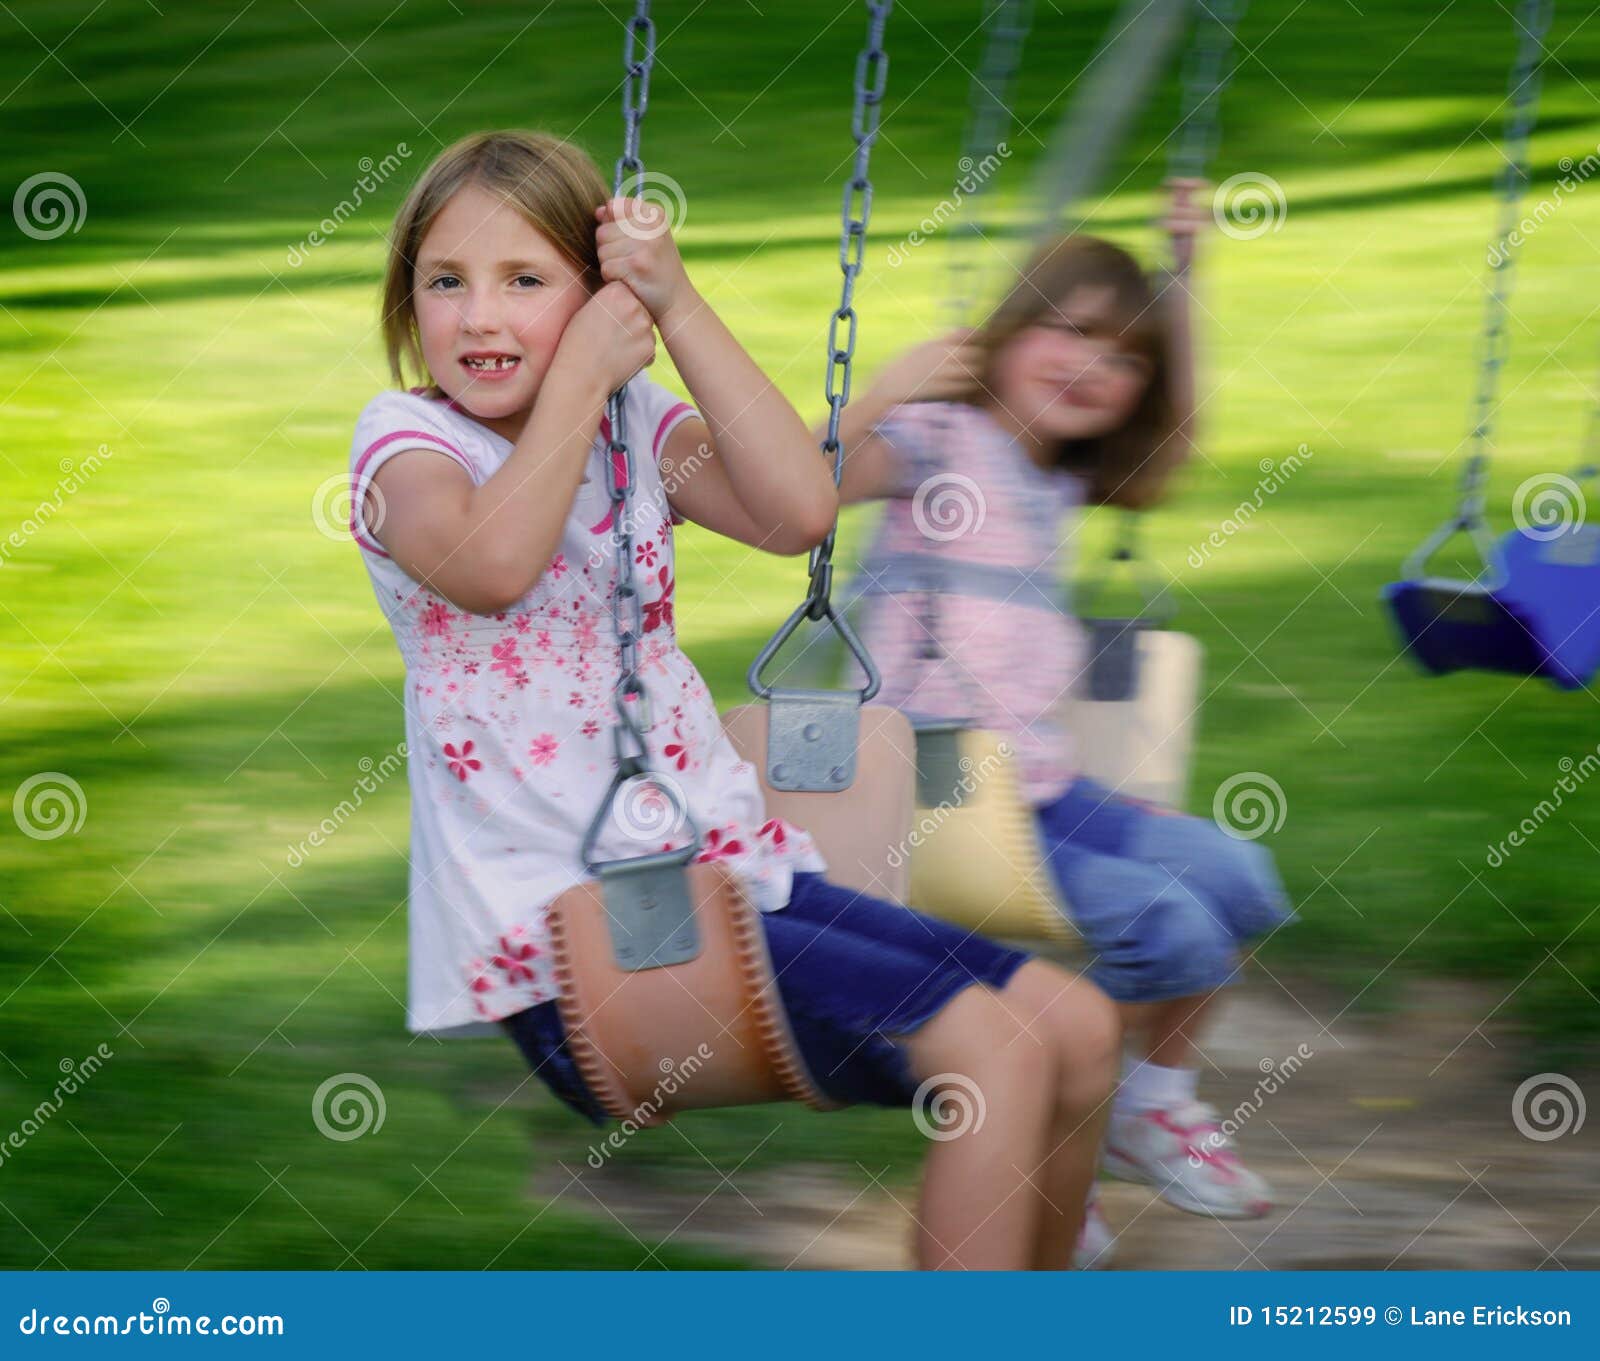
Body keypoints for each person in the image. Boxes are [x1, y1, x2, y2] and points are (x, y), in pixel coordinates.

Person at [347, 129, 1120, 1270]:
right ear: (408, 301)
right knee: (991, 1048)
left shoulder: (634, 425)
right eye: (446, 282)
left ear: (599, 295)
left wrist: (681, 307)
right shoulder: (407, 444)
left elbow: (795, 510)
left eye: (525, 281)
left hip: (728, 872)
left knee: (1076, 1025)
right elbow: (490, 564)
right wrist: (580, 378)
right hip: (577, 936)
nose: (481, 317)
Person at [824, 183, 1294, 1238]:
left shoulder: (1062, 477)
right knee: (1168, 927)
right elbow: (793, 493)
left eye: (1122, 359)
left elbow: (1171, 448)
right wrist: (882, 388)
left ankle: (1148, 1105)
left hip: (1039, 788)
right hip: (935, 791)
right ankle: (1056, 1140)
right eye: (1070, 334)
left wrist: (1185, 277)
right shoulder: (936, 437)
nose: (1094, 368)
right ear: (1006, 330)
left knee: (1238, 876)